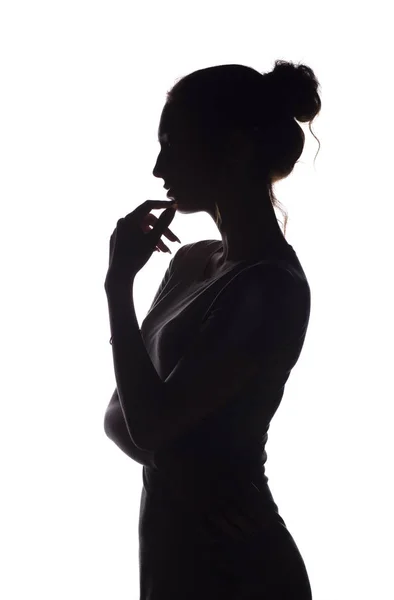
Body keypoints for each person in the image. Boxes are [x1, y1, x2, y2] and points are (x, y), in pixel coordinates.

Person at [106, 59, 321, 599]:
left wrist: (117, 289)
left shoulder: (269, 287)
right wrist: (190, 463)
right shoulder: (189, 264)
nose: (158, 168)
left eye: (172, 145)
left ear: (233, 147)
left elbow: (147, 428)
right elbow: (119, 417)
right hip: (173, 550)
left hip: (238, 562)